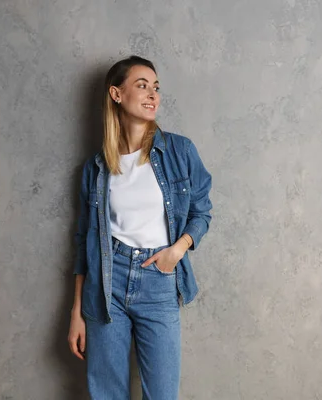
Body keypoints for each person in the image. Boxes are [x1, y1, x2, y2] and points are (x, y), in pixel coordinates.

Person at [68, 55, 213, 400]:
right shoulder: (97, 168)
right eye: (142, 85)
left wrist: (176, 252)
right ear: (117, 94)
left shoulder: (179, 150)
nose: (153, 95)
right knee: (107, 393)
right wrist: (77, 311)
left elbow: (202, 211)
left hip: (158, 280)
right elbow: (83, 243)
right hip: (107, 284)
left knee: (162, 394)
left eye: (156, 87)